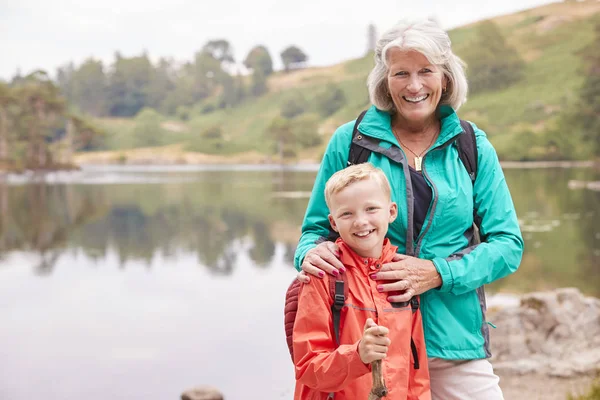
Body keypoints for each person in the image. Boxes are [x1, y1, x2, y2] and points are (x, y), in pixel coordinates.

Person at [294, 18, 524, 400]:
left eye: (426, 71)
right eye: (401, 73)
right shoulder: (351, 142)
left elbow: (507, 245)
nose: (414, 86)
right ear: (385, 80)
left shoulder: (472, 145)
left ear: (445, 77)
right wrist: (308, 254)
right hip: (371, 342)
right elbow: (316, 231)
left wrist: (438, 273)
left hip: (454, 339)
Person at [293, 163, 431, 400]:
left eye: (371, 209)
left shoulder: (402, 277)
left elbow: (416, 370)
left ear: (391, 212)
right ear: (333, 223)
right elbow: (307, 367)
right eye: (347, 213)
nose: (360, 221)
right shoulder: (322, 276)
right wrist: (357, 356)